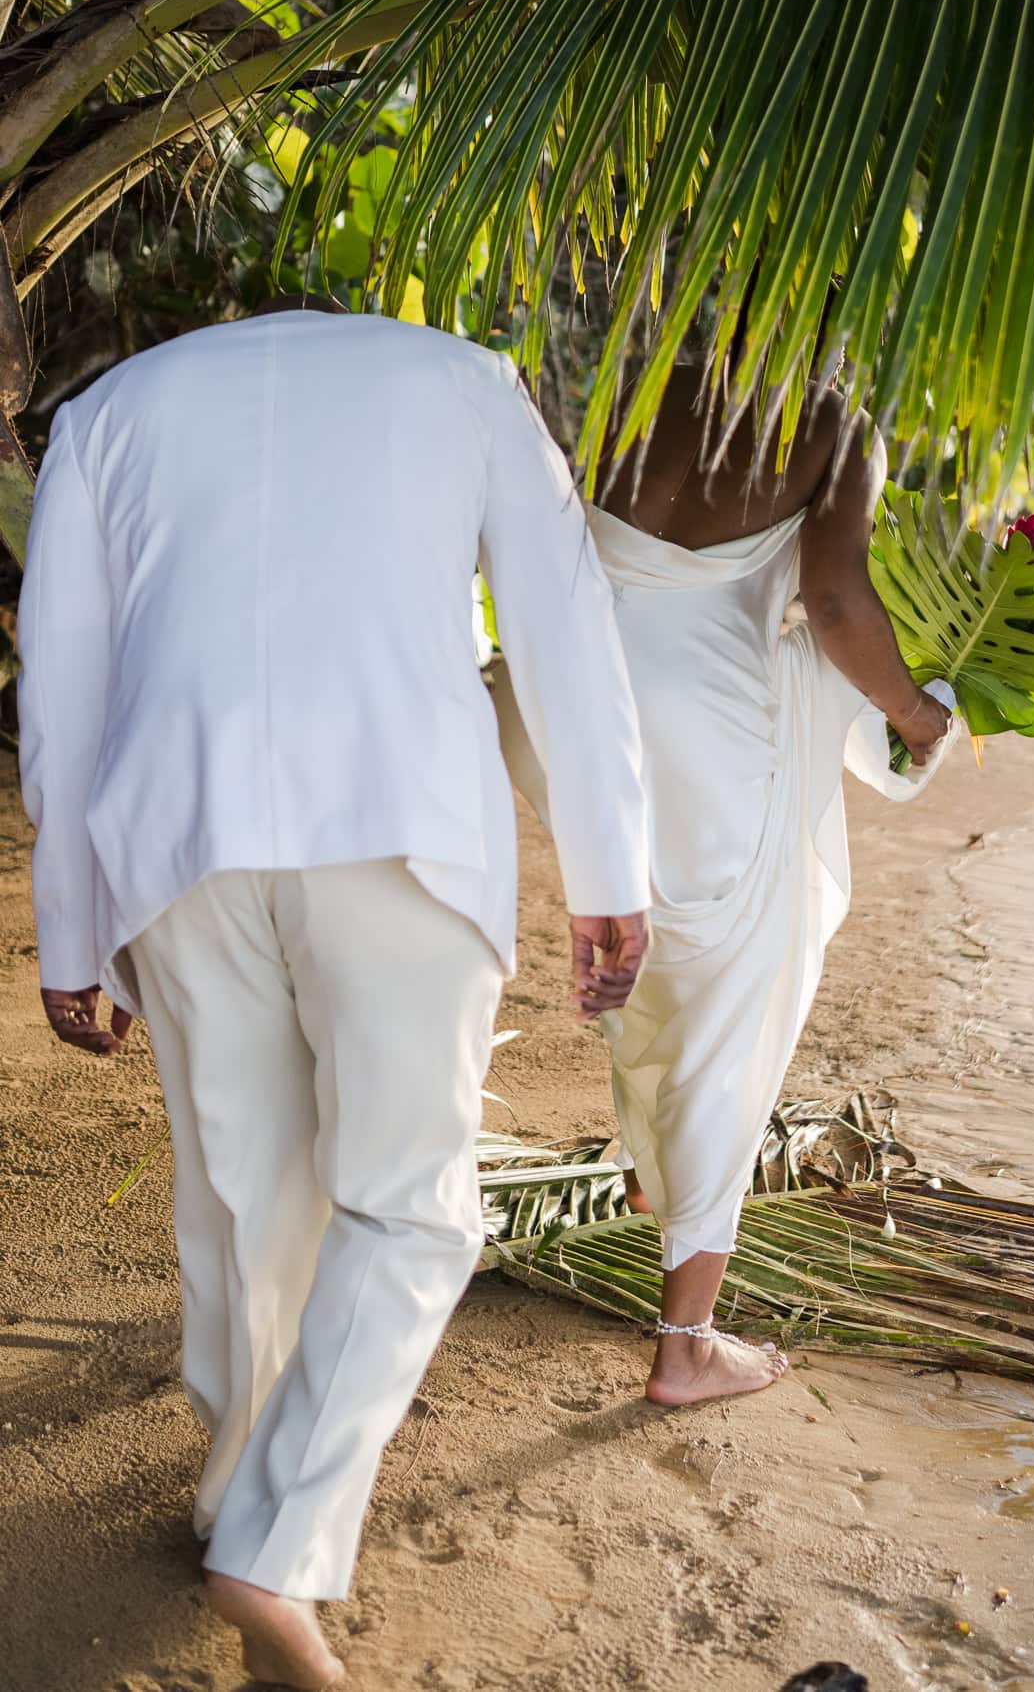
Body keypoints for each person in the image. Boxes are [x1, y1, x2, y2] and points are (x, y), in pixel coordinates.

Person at [17, 308, 651, 1692]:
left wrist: (70, 930)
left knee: (243, 1195)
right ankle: (278, 1542)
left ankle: (232, 1495)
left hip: (181, 841)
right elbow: (563, 623)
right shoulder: (466, 382)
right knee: (411, 1203)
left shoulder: (113, 408)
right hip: (401, 825)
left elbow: (61, 679)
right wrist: (610, 868)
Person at [493, 359, 956, 1410]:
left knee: (651, 944)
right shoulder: (833, 417)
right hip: (700, 718)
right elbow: (833, 602)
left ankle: (652, 1174)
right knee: (734, 996)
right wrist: (920, 717)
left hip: (573, 699)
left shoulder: (638, 380)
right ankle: (687, 1342)